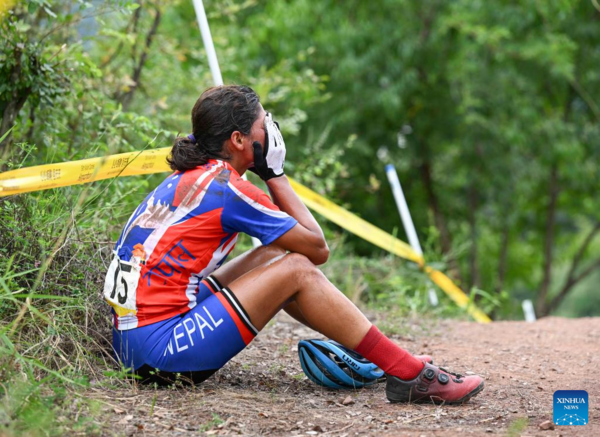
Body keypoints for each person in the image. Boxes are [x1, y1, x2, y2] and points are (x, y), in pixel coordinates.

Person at [104, 85, 484, 404]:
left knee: (276, 255)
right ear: (238, 141)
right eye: (263, 128)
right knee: (298, 269)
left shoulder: (188, 176)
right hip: (159, 354)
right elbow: (317, 249)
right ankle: (407, 374)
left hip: (131, 341)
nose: (269, 136)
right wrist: (276, 175)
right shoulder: (227, 189)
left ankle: (376, 356)